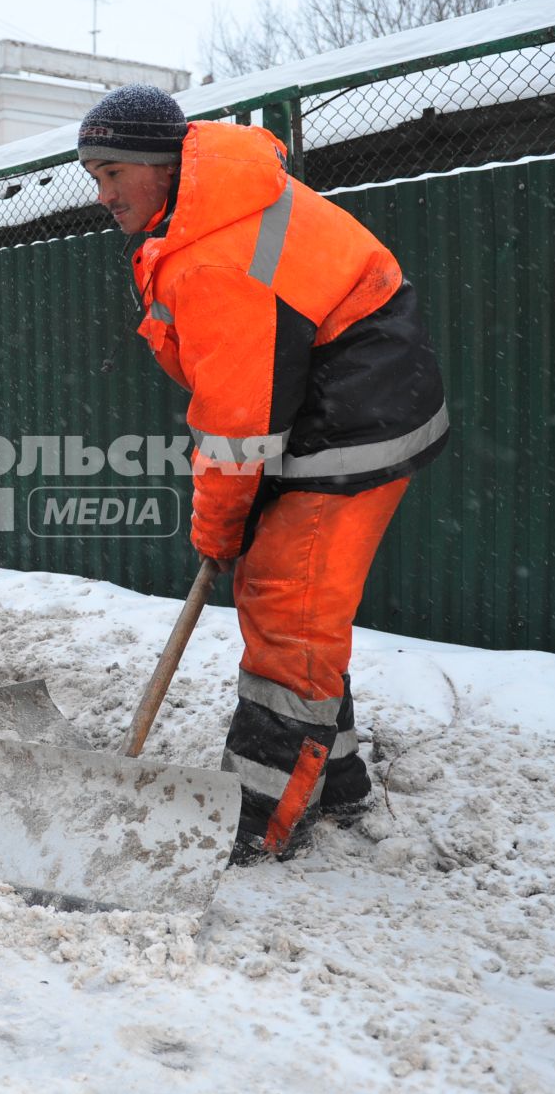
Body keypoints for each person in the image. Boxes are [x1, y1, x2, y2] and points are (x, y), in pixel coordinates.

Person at [77, 84, 447, 865]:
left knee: (288, 606)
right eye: (95, 177)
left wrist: (217, 527)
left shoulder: (216, 251)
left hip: (349, 418)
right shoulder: (206, 212)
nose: (103, 195)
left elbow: (235, 428)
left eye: (114, 173)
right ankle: (336, 778)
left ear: (158, 165)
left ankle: (256, 822)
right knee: (296, 605)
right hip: (322, 403)